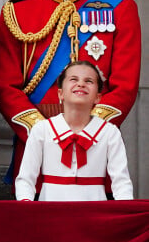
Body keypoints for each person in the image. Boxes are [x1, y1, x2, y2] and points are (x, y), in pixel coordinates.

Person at [0, 0, 141, 191]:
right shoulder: (16, 13)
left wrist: (88, 131)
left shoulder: (120, 8)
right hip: (36, 151)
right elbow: (6, 87)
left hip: (97, 151)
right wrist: (45, 134)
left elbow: (125, 86)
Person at [15, 61, 133, 201]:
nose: (81, 84)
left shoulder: (109, 133)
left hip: (94, 215)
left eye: (89, 81)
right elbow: (25, 179)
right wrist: (26, 205)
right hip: (50, 213)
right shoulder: (42, 130)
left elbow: (121, 182)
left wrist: (126, 211)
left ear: (98, 97)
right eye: (73, 79)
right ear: (60, 93)